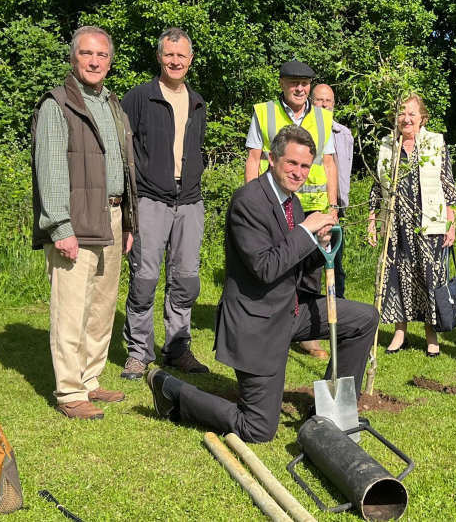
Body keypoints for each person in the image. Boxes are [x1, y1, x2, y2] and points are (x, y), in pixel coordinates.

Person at [146, 126, 378, 443]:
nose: (298, 172)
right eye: (292, 163)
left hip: (289, 311)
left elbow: (292, 264)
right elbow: (266, 268)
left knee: (364, 318)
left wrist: (317, 245)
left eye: (305, 166)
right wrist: (306, 233)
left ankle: (329, 413)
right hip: (257, 324)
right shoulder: (248, 202)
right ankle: (174, 390)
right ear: (272, 158)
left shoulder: (291, 202)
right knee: (258, 429)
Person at [30, 26, 138, 419]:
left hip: (110, 214)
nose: (95, 62)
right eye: (87, 54)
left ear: (110, 61)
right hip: (75, 219)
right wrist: (60, 226)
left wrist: (126, 221)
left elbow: (123, 168)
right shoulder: (57, 105)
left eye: (102, 55)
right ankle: (69, 391)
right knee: (71, 306)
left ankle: (90, 380)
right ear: (73, 58)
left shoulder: (111, 103)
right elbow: (51, 168)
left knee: (101, 306)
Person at [120, 28, 209, 380]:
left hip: (188, 200)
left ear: (190, 60)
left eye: (182, 56)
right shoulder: (139, 98)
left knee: (186, 279)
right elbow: (124, 152)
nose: (175, 61)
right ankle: (139, 352)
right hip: (150, 199)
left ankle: (177, 348)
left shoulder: (198, 101)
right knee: (144, 278)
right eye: (169, 54)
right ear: (160, 56)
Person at [245, 60, 339, 360]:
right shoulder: (264, 112)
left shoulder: (324, 118)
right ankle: (271, 325)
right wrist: (252, 199)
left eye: (305, 83)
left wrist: (333, 208)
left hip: (312, 206)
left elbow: (328, 163)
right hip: (274, 202)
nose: (300, 88)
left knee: (310, 272)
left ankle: (308, 335)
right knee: (276, 265)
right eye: (293, 83)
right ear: (282, 84)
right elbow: (254, 157)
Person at [367, 94, 456, 357]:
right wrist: (373, 219)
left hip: (428, 222)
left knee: (429, 275)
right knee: (396, 277)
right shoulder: (387, 144)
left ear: (422, 118)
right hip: (395, 224)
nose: (406, 119)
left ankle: (432, 334)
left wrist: (450, 223)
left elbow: (447, 183)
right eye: (401, 113)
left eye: (412, 114)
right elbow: (377, 184)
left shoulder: (435, 142)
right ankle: (399, 332)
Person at [312, 83, 354, 299]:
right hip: (311, 203)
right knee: (311, 261)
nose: (324, 104)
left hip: (336, 206)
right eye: (319, 100)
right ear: (311, 102)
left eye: (328, 100)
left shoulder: (344, 134)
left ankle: (338, 304)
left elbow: (344, 171)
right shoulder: (305, 129)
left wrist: (339, 203)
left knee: (336, 259)